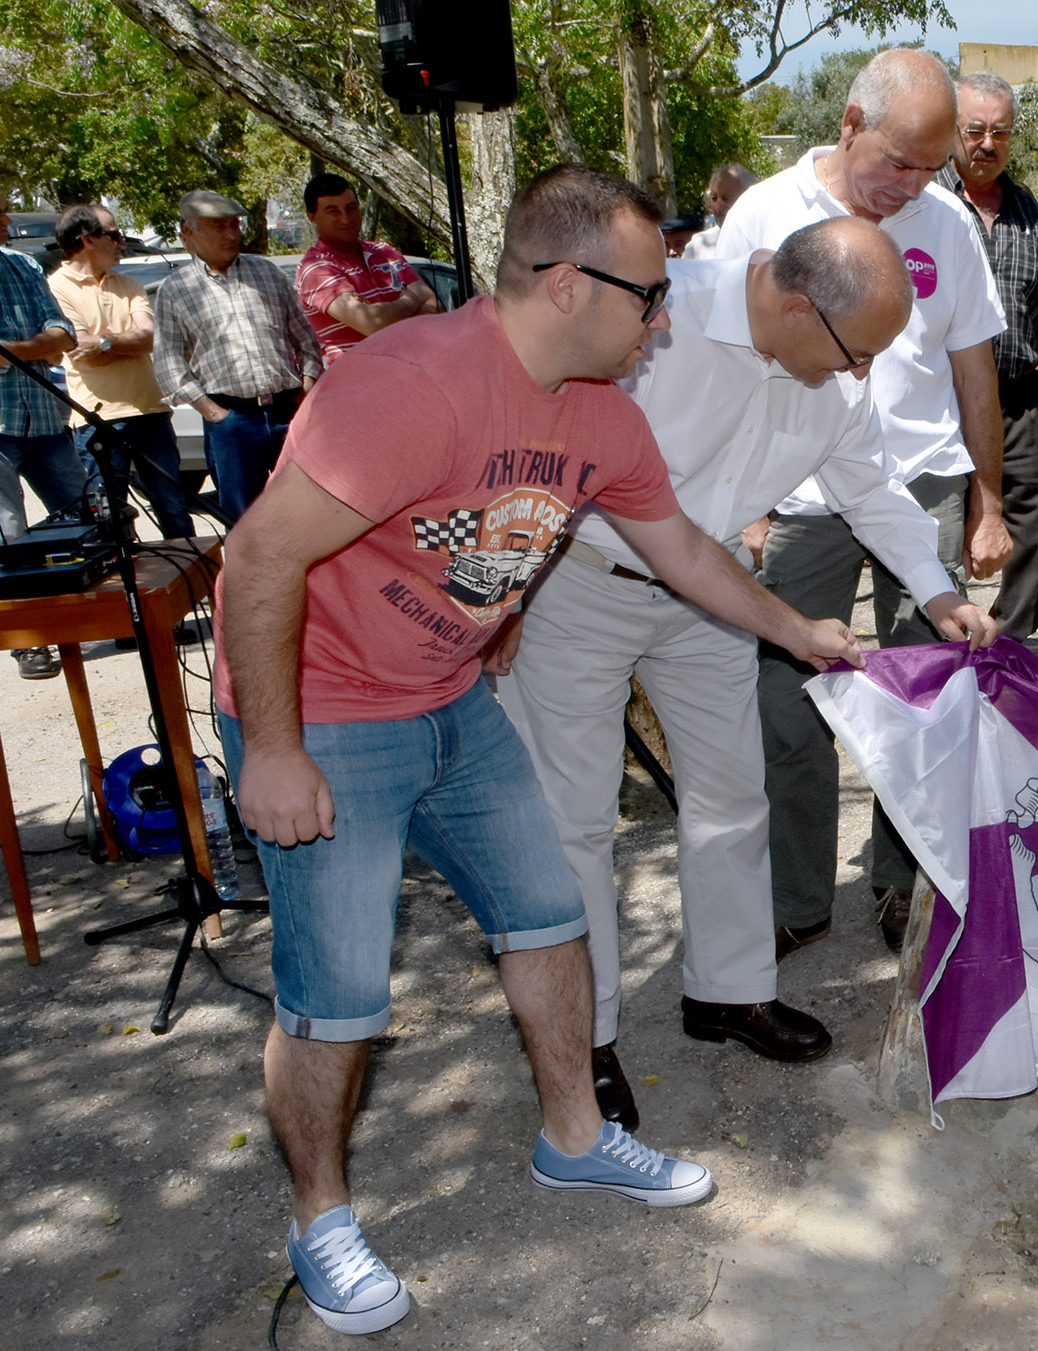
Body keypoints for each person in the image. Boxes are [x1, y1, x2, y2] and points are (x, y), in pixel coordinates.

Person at [214, 164, 863, 1338]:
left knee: (549, 915)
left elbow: (691, 557)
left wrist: (800, 633)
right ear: (568, 284)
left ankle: (575, 1137)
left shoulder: (603, 413)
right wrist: (271, 746)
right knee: (339, 996)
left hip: (451, 697)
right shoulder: (411, 384)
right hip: (324, 709)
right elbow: (260, 561)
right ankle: (320, 1217)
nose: (664, 320)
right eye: (649, 297)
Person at [498, 217, 1001, 1128]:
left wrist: (937, 595)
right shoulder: (657, 315)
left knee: (734, 795)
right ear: (797, 305)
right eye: (855, 354)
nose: (860, 376)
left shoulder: (841, 369)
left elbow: (870, 488)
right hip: (582, 579)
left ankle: (727, 991)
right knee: (575, 819)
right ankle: (588, 1034)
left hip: (716, 588)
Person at [716, 47, 1011, 955]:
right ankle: (794, 897)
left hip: (911, 482)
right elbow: (729, 372)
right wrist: (749, 508)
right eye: (897, 163)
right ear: (850, 125)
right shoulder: (765, 213)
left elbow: (974, 369)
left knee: (921, 697)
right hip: (796, 494)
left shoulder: (948, 224)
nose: (913, 185)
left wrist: (986, 501)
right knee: (784, 694)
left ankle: (901, 884)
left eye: (931, 166)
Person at [939, 71, 1038, 638]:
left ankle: (1012, 641)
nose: (987, 144)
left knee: (1032, 513)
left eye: (1000, 132)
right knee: (942, 521)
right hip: (943, 398)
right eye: (975, 130)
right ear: (953, 131)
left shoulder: (1032, 215)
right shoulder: (926, 208)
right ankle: (942, 638)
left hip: (1020, 399)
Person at [0, 173, 88, 681]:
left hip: (45, 417)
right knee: (7, 535)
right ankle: (28, 642)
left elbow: (63, 335)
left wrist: (13, 351)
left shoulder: (22, 266)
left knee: (85, 518)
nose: (7, 221)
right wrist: (30, 347)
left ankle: (97, 617)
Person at [151, 188, 323, 519]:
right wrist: (213, 412)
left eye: (234, 224)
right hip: (233, 420)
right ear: (189, 234)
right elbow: (168, 363)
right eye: (219, 226)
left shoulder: (267, 273)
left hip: (287, 409)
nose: (231, 234)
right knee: (245, 520)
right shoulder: (176, 289)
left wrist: (307, 388)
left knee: (309, 509)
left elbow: (305, 336)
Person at [48, 204, 195, 541]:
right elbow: (81, 352)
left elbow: (151, 337)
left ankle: (193, 587)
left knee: (173, 507)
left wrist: (102, 342)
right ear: (87, 240)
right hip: (98, 419)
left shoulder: (127, 282)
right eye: (114, 235)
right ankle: (124, 593)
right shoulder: (56, 288)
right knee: (110, 518)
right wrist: (118, 342)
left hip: (150, 411)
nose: (122, 243)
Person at [295, 172, 440, 365]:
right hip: (358, 383)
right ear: (312, 216)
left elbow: (435, 306)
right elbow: (372, 322)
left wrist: (386, 314)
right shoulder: (316, 269)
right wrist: (412, 299)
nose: (346, 219)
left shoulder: (385, 251)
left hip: (410, 373)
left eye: (351, 208)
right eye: (333, 211)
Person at [683, 163, 760, 259]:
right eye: (714, 198)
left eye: (726, 198)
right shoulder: (697, 246)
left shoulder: (765, 239)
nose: (718, 205)